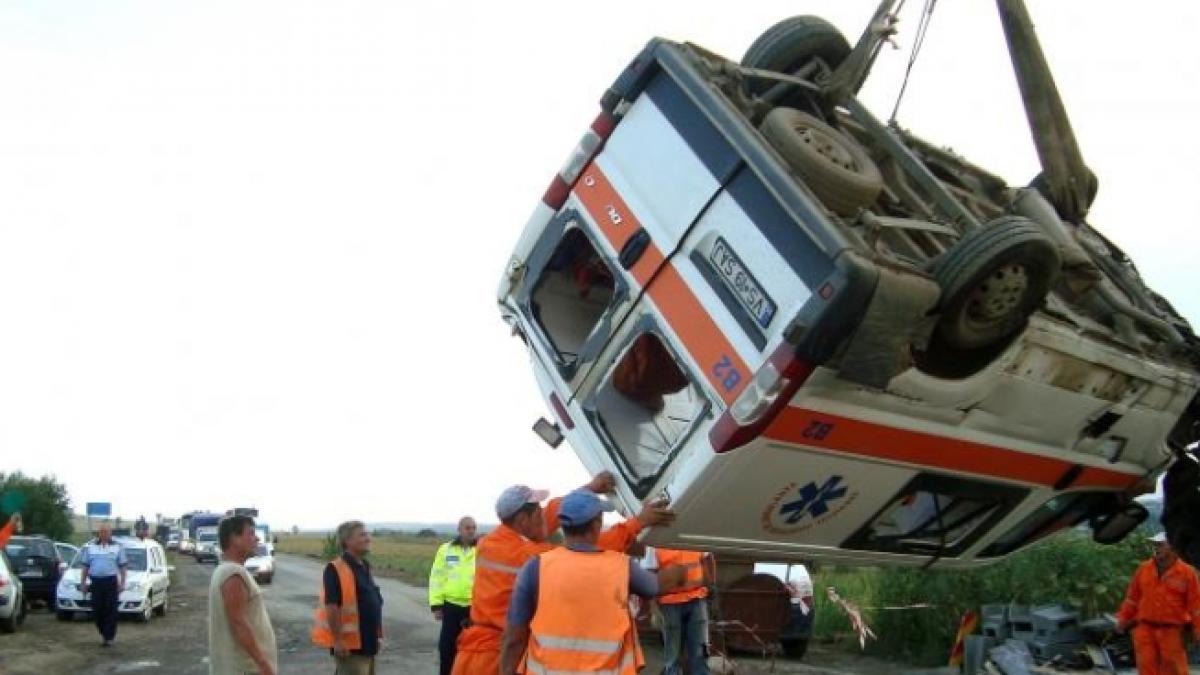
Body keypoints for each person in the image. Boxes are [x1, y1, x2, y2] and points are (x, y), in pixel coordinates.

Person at [451, 472, 675, 675]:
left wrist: (587, 489)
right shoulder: (528, 556)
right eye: (538, 512)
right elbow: (587, 546)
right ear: (522, 520)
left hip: (471, 653)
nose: (545, 515)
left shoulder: (489, 542)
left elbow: (551, 513)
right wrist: (638, 523)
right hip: (495, 657)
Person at [499, 490, 687, 675]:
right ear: (597, 523)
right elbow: (654, 586)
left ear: (563, 525)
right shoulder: (620, 566)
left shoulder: (535, 568)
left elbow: (514, 638)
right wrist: (679, 572)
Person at [1116, 531, 1200, 675]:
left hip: (1172, 632)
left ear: (1173, 547)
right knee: (1147, 669)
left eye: (1160, 545)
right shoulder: (1144, 569)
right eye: (1155, 544)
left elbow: (1196, 606)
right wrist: (1122, 619)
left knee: (1174, 670)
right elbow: (1132, 599)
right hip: (1145, 629)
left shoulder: (1187, 573)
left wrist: (1198, 630)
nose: (1156, 548)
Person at [312, 521, 384, 675]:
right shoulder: (335, 569)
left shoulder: (365, 566)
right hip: (350, 648)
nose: (368, 538)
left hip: (368, 644)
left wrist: (377, 635)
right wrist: (337, 640)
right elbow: (332, 606)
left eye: (367, 534)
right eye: (362, 535)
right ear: (347, 541)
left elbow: (371, 602)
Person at [208, 515, 277, 675]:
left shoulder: (225, 570)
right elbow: (238, 623)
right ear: (234, 538)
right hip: (245, 668)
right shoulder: (233, 573)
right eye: (251, 533)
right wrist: (263, 664)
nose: (257, 538)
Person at [643, 546, 715, 675]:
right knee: (673, 656)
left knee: (700, 653)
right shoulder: (656, 541)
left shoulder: (694, 534)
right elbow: (650, 575)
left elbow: (707, 558)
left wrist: (711, 585)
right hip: (669, 603)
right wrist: (653, 608)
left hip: (696, 598)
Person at [430, 516, 478, 675]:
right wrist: (436, 605)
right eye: (467, 527)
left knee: (472, 649)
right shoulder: (446, 549)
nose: (471, 531)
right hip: (450, 606)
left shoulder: (482, 549)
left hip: (474, 608)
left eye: (473, 528)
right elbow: (437, 577)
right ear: (459, 529)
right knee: (447, 647)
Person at [79, 524, 128, 647]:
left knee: (110, 610)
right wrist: (83, 583)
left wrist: (122, 583)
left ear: (110, 533)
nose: (104, 534)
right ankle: (103, 632)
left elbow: (123, 567)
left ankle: (109, 636)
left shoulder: (118, 547)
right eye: (102, 532)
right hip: (96, 582)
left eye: (106, 532)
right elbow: (85, 567)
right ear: (98, 534)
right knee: (97, 610)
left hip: (111, 581)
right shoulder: (90, 547)